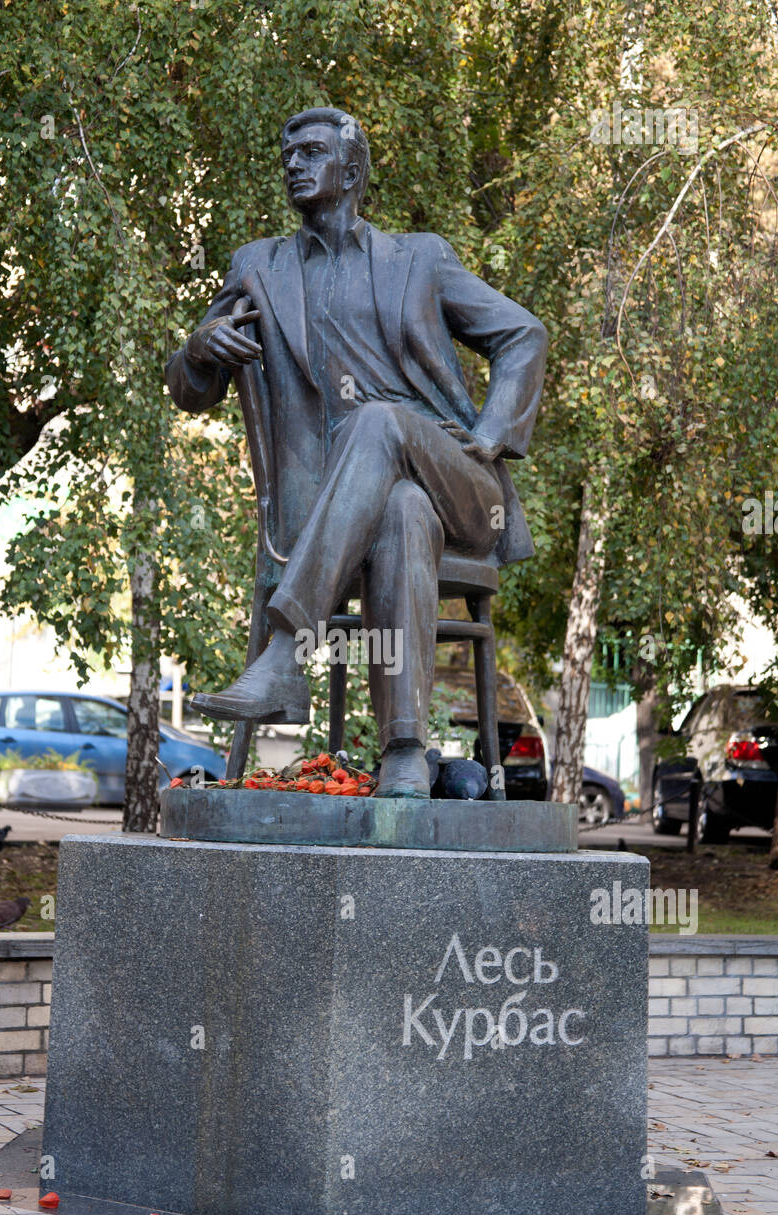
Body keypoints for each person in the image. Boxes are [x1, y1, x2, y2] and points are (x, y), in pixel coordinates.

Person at [165, 108, 547, 797]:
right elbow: (192, 391)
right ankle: (405, 752)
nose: (293, 165)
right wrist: (198, 348)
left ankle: (285, 652)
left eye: (311, 152)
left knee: (378, 423)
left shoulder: (420, 258)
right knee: (401, 510)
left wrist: (492, 433)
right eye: (287, 155)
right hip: (349, 511)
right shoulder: (259, 266)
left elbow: (524, 334)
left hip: (462, 487)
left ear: (353, 170)